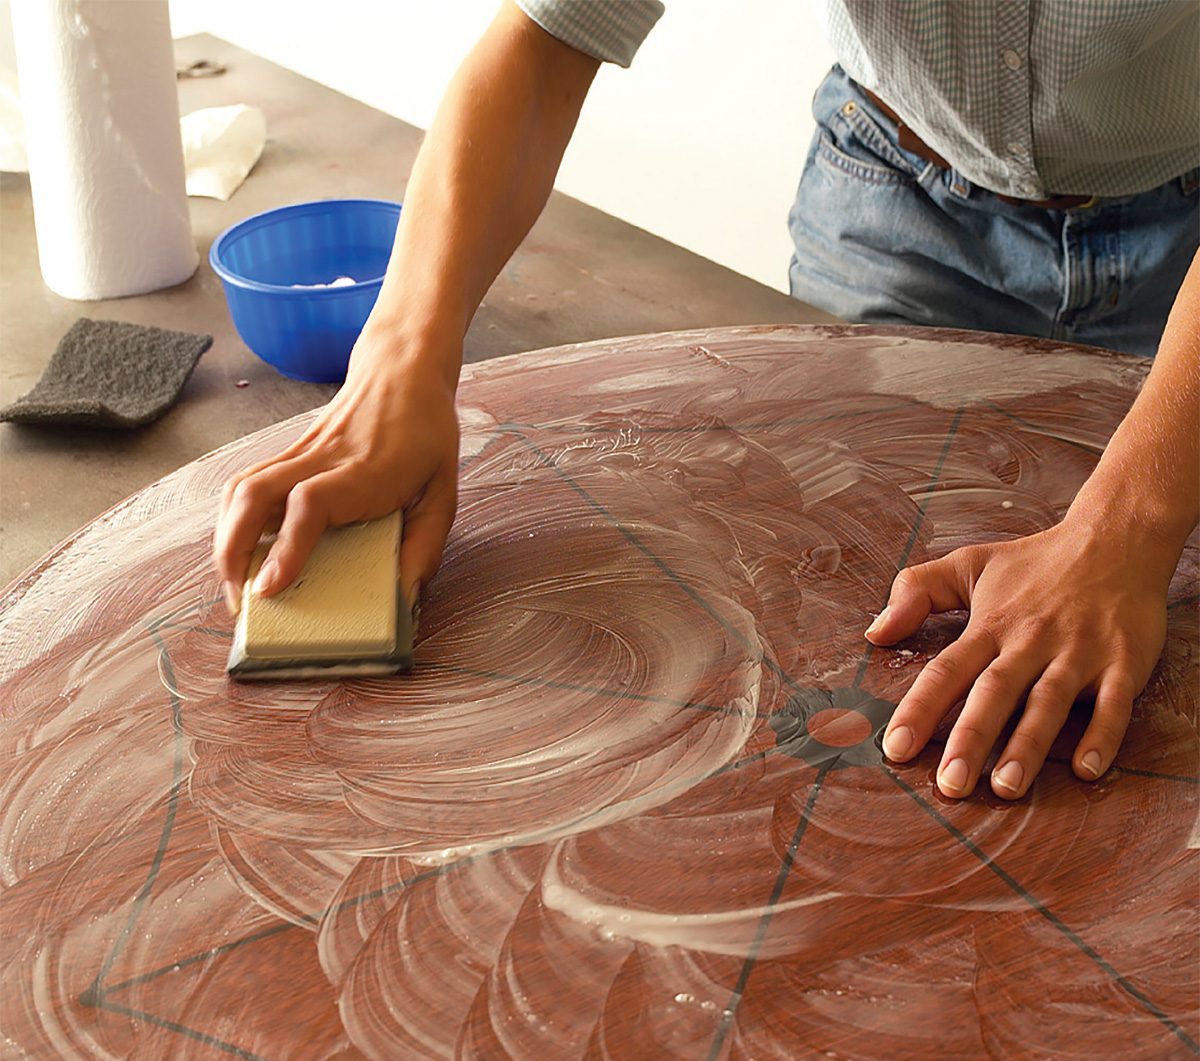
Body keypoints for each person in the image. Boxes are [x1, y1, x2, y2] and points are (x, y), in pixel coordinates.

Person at [213, 0, 1199, 803]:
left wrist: (1131, 525)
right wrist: (399, 367)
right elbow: (549, 33)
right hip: (902, 196)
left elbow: (1134, 536)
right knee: (856, 600)